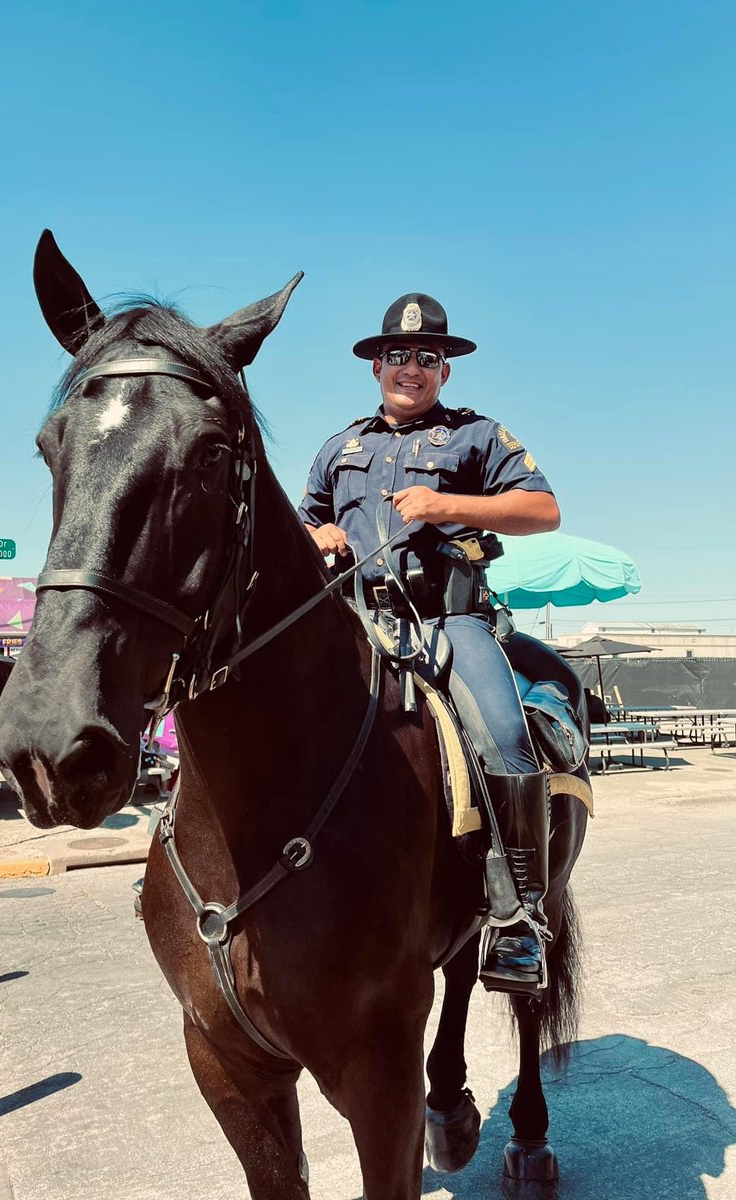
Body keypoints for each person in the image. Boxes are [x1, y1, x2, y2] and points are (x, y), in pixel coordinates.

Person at [299, 293, 561, 996]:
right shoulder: (340, 447)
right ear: (376, 366)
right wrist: (314, 534)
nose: (410, 368)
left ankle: (516, 921)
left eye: (427, 358)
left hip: (448, 622)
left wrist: (449, 506)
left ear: (444, 370)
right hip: (355, 622)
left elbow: (543, 510)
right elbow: (300, 521)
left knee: (504, 736)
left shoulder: (477, 437)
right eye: (398, 356)